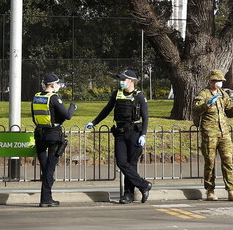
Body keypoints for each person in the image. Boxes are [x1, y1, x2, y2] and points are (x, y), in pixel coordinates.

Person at [85, 70, 152, 204]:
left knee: (132, 164)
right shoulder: (117, 94)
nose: (121, 81)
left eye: (124, 79)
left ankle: (128, 195)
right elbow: (107, 109)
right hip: (120, 133)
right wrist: (94, 122)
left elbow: (145, 117)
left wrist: (143, 134)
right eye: (120, 79)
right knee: (121, 162)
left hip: (134, 133)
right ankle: (144, 185)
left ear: (131, 81)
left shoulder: (139, 96)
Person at [193, 70, 233, 201]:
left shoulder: (223, 95)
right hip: (209, 134)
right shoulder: (203, 94)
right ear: (211, 81)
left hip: (224, 133)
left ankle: (231, 191)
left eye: (220, 81)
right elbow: (196, 110)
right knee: (210, 162)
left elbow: (230, 112)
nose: (219, 83)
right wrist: (207, 104)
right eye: (216, 81)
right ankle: (210, 191)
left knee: (228, 161)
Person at [32, 73, 77, 207]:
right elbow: (67, 115)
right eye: (57, 84)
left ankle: (47, 197)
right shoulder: (54, 98)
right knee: (49, 169)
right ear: (51, 85)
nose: (58, 86)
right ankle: (45, 199)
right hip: (53, 135)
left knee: (46, 168)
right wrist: (73, 107)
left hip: (39, 134)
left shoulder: (36, 96)